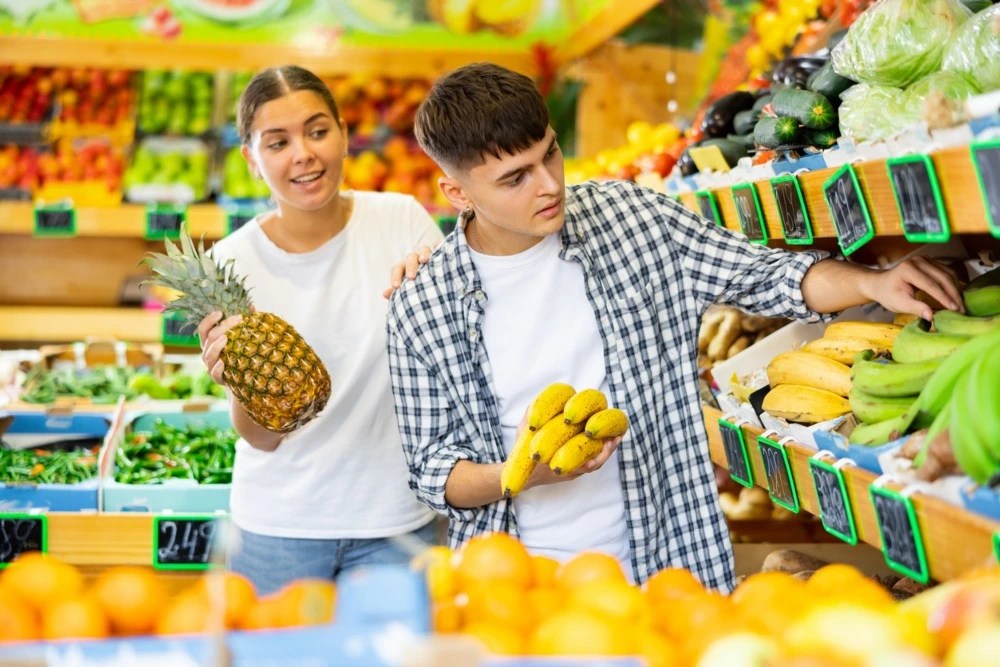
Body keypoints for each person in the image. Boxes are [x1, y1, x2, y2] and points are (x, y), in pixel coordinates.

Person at [384, 62, 963, 590]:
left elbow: (762, 275)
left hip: (668, 563)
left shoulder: (627, 216)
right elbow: (435, 471)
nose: (550, 185)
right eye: (515, 178)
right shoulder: (421, 307)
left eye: (551, 154)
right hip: (522, 588)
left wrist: (874, 282)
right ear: (456, 192)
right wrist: (523, 475)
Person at [196, 65, 444, 595]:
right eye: (277, 141)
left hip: (397, 518)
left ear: (344, 135)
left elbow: (450, 362)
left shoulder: (401, 220)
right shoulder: (229, 263)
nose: (303, 154)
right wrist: (239, 382)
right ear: (251, 158)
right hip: (279, 525)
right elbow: (261, 439)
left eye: (317, 131)